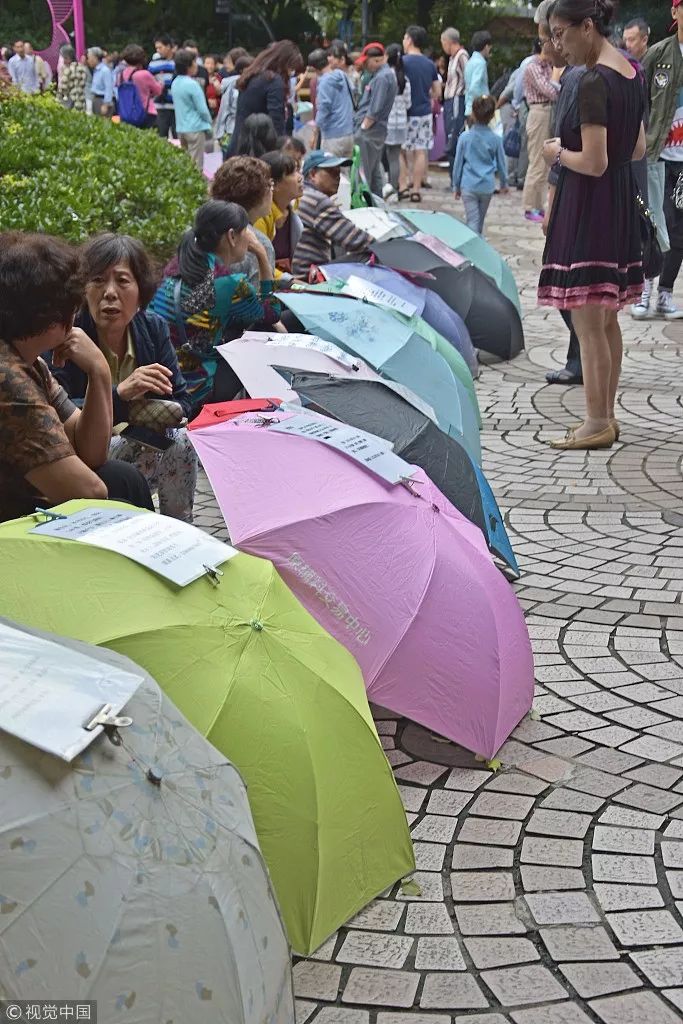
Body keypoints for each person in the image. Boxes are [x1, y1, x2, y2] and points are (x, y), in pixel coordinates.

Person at [539, 0, 646, 450]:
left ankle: (596, 420)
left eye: (561, 33)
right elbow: (637, 149)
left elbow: (594, 161)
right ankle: (606, 415)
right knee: (605, 321)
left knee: (587, 322)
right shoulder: (632, 72)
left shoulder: (592, 82)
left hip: (592, 206)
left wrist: (556, 154)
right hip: (618, 203)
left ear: (588, 26)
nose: (557, 44)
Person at [0, 232, 154, 522]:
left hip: (25, 494)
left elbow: (92, 453)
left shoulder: (31, 362)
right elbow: (89, 492)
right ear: (54, 312)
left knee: (124, 478)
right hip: (10, 526)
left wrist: (99, 371)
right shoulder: (8, 378)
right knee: (115, 500)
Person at [52, 235, 198, 523]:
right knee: (127, 447)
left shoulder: (152, 328)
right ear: (83, 290)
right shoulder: (67, 336)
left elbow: (183, 401)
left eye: (122, 281)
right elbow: (57, 410)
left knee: (182, 441)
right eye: (98, 280)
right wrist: (121, 394)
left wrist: (160, 408)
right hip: (84, 452)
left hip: (142, 442)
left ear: (141, 293)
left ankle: (179, 529)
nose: (109, 293)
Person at [149, 201, 283, 409]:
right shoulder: (230, 284)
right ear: (231, 236)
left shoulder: (177, 266)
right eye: (245, 230)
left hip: (162, 380)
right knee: (259, 337)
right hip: (195, 388)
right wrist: (263, 257)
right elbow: (272, 312)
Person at [633, 5, 683, 320]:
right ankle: (644, 290)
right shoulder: (660, 53)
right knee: (655, 226)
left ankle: (665, 293)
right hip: (659, 158)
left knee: (679, 235)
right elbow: (635, 93)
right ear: (675, 12)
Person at [542, 33, 584, 386]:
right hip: (599, 197)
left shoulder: (576, 78)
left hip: (577, 197)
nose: (546, 44)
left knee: (566, 286)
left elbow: (562, 149)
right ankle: (580, 358)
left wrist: (551, 207)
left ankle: (582, 358)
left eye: (549, 35)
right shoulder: (622, 73)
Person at [292, 150, 373, 277]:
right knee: (369, 255)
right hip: (308, 275)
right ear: (313, 174)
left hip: (298, 270)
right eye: (331, 172)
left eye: (338, 173)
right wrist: (386, 249)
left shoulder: (304, 194)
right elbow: (358, 241)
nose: (338, 177)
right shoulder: (318, 201)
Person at [228, 40, 304, 156]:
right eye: (291, 68)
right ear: (284, 63)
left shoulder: (253, 74)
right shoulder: (273, 81)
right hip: (258, 150)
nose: (291, 73)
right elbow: (276, 120)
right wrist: (281, 153)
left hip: (239, 143)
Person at [211, 155, 277, 283]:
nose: (272, 191)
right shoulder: (259, 244)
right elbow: (264, 300)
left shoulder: (201, 224)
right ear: (259, 195)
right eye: (270, 185)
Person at [453, 94, 507, 234]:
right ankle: (478, 245)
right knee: (479, 222)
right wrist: (503, 184)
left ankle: (473, 250)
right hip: (487, 186)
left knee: (472, 221)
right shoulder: (496, 139)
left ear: (473, 114)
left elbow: (458, 164)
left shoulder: (465, 138)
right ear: (492, 116)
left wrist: (456, 185)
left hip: (468, 185)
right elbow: (502, 163)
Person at [402, 25, 441, 201]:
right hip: (424, 113)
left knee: (401, 151)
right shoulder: (430, 64)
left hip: (405, 113)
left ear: (409, 40)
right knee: (420, 151)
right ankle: (416, 189)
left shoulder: (402, 62)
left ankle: (403, 185)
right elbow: (437, 92)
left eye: (404, 38)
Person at [522, 33, 559, 222]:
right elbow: (551, 91)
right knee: (536, 160)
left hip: (548, 112)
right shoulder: (533, 67)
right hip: (538, 112)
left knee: (545, 163)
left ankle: (538, 206)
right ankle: (529, 207)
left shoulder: (547, 66)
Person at [354, 44, 398, 198]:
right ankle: (376, 205)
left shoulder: (381, 77)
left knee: (363, 174)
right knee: (374, 173)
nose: (365, 66)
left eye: (367, 62)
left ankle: (364, 206)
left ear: (376, 60)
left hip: (370, 132)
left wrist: (364, 128)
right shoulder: (386, 75)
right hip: (376, 131)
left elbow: (375, 108)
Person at [255, 149, 304, 274]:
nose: (300, 178)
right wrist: (291, 282)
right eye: (292, 173)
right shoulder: (260, 217)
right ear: (274, 185)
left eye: (298, 171)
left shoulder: (294, 206)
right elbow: (259, 265)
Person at [171, 48, 212, 171]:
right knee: (196, 165)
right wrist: (209, 121)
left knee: (185, 163)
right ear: (189, 66)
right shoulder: (192, 84)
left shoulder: (175, 82)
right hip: (195, 128)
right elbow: (202, 109)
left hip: (181, 128)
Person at [315, 42, 355, 157]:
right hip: (348, 132)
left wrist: (316, 129)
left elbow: (324, 108)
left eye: (332, 55)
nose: (330, 58)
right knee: (346, 173)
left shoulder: (324, 81)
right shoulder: (343, 75)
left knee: (330, 172)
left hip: (332, 135)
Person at [385, 44, 412, 194]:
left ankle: (387, 187)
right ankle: (394, 188)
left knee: (384, 158)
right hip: (401, 123)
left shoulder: (385, 76)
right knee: (395, 157)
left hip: (386, 123)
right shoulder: (405, 79)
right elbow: (408, 103)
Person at [441, 28, 469, 175]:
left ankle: (457, 176)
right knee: (449, 137)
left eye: (443, 42)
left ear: (449, 42)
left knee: (454, 136)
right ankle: (453, 176)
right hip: (449, 100)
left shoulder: (462, 56)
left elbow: (467, 79)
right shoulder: (452, 58)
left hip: (457, 99)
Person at [215, 55, 252, 156]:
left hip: (249, 131)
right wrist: (219, 133)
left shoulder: (255, 83)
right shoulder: (232, 85)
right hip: (231, 130)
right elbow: (224, 109)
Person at [118, 45, 162, 129]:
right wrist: (161, 83)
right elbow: (158, 91)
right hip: (146, 113)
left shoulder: (121, 75)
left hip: (126, 113)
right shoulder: (144, 74)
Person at [149, 34, 177, 139]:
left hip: (177, 105)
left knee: (177, 137)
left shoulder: (178, 62)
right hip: (160, 106)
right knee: (161, 137)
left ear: (169, 46)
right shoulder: (153, 64)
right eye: (156, 48)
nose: (158, 50)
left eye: (160, 47)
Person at [464, 31, 492, 123]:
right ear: (486, 46)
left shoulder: (470, 62)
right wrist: (485, 101)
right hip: (479, 111)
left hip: (468, 107)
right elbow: (474, 87)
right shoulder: (481, 63)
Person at [57, 45, 87, 111]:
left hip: (71, 100)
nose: (62, 60)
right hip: (77, 100)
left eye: (63, 58)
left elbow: (64, 87)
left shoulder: (71, 69)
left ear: (68, 58)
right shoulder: (79, 67)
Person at [87, 47, 115, 116]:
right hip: (96, 99)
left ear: (95, 58)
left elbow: (109, 88)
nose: (88, 60)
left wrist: (106, 104)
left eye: (89, 58)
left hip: (102, 101)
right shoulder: (96, 70)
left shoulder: (105, 70)